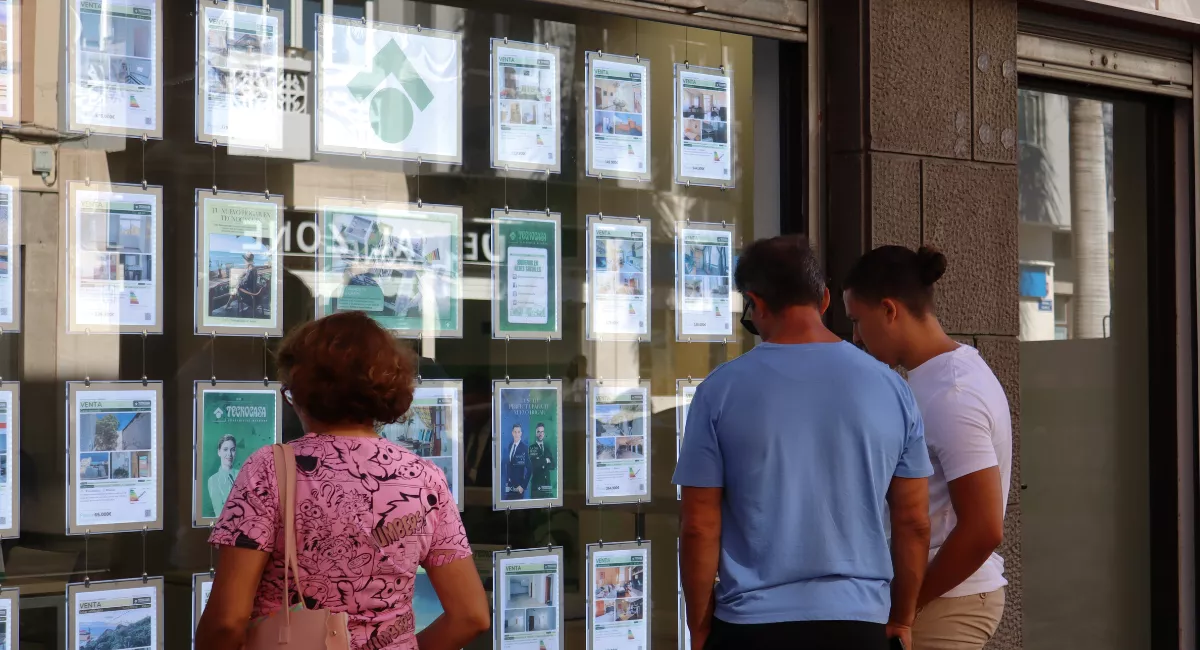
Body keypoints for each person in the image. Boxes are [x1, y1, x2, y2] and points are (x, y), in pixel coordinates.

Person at [673, 234, 932, 650]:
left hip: (751, 624)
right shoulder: (892, 388)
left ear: (755, 305)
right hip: (858, 621)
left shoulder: (718, 392)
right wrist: (901, 618)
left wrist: (699, 625)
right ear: (825, 300)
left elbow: (699, 526)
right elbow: (914, 522)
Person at [197, 312, 490, 650]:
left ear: (304, 391)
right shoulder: (425, 479)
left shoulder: (269, 470)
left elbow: (225, 622)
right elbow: (471, 616)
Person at [844, 246, 1011, 650]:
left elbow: (984, 528)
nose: (855, 337)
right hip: (937, 596)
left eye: (857, 321)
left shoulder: (952, 392)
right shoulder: (938, 378)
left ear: (889, 310)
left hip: (947, 601)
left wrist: (906, 606)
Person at [206, 434, 238, 518]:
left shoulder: (242, 474)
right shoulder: (213, 480)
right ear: (219, 452)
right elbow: (219, 513)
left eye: (233, 450)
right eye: (225, 449)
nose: (229, 454)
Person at [502, 424, 530, 500]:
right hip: (510, 486)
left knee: (518, 510)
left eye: (518, 432)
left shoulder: (524, 448)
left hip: (519, 487)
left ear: (521, 433)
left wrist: (523, 486)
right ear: (512, 433)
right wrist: (508, 480)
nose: (517, 434)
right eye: (515, 432)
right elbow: (509, 464)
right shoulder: (510, 445)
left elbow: (530, 469)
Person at [528, 423, 556, 499]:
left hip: (547, 486)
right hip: (537, 486)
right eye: (538, 432)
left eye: (542, 432)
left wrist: (541, 461)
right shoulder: (532, 448)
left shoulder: (547, 448)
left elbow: (553, 465)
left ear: (544, 433)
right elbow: (534, 464)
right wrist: (546, 460)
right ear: (536, 433)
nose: (540, 434)